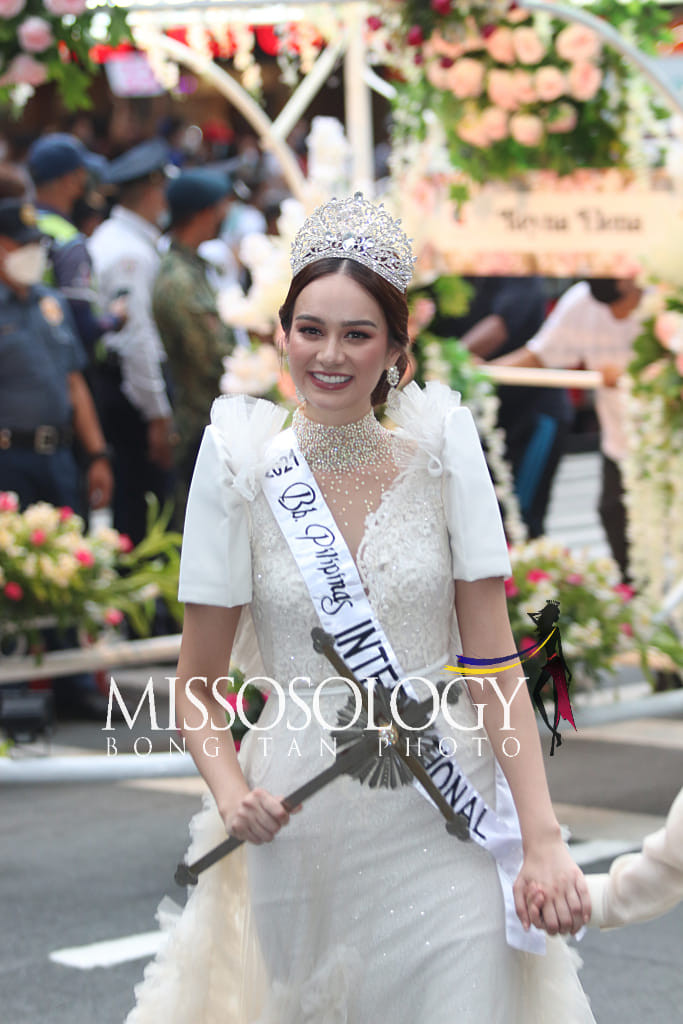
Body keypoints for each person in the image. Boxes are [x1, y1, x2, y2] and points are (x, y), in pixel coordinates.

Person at [125, 194, 595, 1023]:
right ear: (282, 335)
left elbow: (492, 664)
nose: (329, 355)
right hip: (299, 817)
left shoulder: (443, 451)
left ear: (395, 351)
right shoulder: (238, 465)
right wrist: (230, 790)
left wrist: (543, 836)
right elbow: (195, 684)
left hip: (444, 811)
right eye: (310, 330)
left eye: (356, 334)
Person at [0, 197, 114, 717]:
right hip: (9, 459)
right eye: (20, 246)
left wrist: (97, 454)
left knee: (69, 566)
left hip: (60, 457)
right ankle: (14, 683)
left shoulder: (49, 302)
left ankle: (70, 681)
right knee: (13, 574)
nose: (29, 255)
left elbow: (75, 382)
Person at [491, 278, 642, 580]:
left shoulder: (664, 298)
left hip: (667, 439)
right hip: (620, 441)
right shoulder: (581, 301)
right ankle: (637, 594)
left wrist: (633, 372)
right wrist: (485, 371)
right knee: (614, 513)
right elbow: (540, 353)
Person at [88, 139, 175, 545]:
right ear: (153, 192)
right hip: (131, 399)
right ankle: (148, 607)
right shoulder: (130, 253)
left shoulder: (115, 237)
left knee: (133, 506)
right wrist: (157, 415)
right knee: (142, 509)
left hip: (121, 392)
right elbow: (137, 342)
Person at [453, 275, 573, 538]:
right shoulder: (443, 276)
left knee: (520, 518)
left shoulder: (518, 275)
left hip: (533, 413)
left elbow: (501, 326)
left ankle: (526, 577)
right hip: (478, 416)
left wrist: (452, 361)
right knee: (483, 518)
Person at [152, 167, 236, 523]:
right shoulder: (179, 280)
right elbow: (211, 359)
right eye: (221, 209)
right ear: (203, 213)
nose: (224, 217)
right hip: (202, 428)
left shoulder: (195, 267)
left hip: (213, 420)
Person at [26, 133, 126, 360]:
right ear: (69, 180)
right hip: (65, 367)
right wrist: (115, 318)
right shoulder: (67, 240)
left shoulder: (19, 226)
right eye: (82, 173)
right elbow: (83, 327)